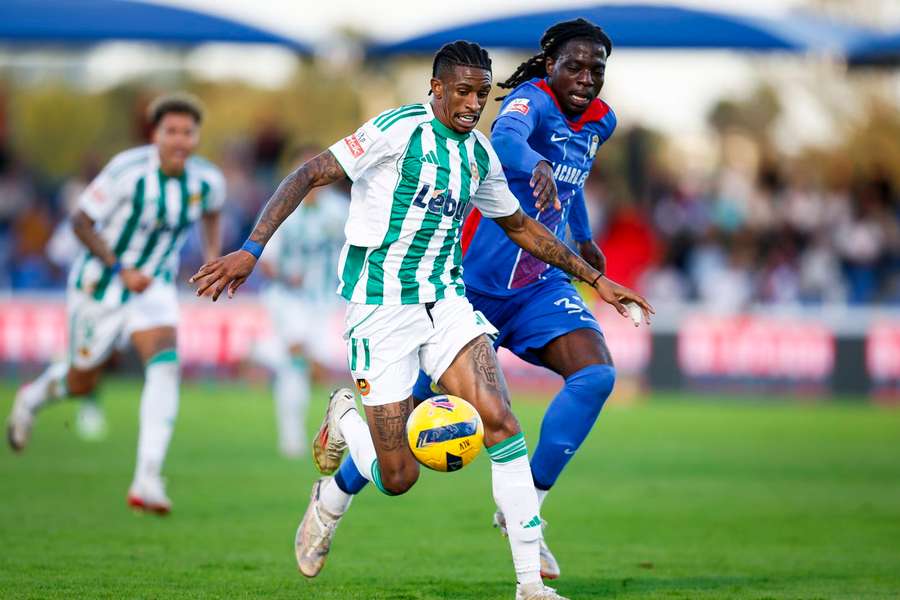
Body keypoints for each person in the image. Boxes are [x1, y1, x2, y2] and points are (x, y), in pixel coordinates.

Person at [190, 41, 650, 600]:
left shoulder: (478, 154)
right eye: (462, 91)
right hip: (380, 310)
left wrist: (595, 279)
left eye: (482, 93)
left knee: (501, 423)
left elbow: (523, 228)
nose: (473, 103)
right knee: (399, 476)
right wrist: (251, 250)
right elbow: (309, 174)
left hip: (447, 303)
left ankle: (530, 585)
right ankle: (345, 422)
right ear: (435, 89)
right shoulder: (395, 130)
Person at [334, 18, 630, 581]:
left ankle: (526, 516)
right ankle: (334, 496)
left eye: (597, 69)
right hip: (470, 287)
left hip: (540, 284)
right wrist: (534, 165)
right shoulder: (528, 101)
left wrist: (584, 234)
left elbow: (574, 180)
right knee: (404, 431)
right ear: (550, 65)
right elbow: (511, 141)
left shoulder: (601, 121)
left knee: (594, 377)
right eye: (576, 65)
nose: (588, 78)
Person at [6, 93, 225, 515]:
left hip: (154, 288)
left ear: (197, 136)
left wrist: (212, 252)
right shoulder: (127, 170)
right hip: (100, 285)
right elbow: (80, 221)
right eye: (171, 131)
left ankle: (148, 476)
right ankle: (31, 399)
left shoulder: (207, 180)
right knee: (82, 381)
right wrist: (120, 267)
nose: (180, 140)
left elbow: (211, 211)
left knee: (165, 366)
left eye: (188, 132)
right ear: (155, 134)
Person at [253, 146, 348, 458]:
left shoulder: (341, 210)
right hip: (288, 299)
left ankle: (263, 353)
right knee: (297, 359)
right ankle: (291, 438)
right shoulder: (281, 207)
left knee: (317, 368)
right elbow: (264, 258)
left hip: (326, 302)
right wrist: (284, 273)